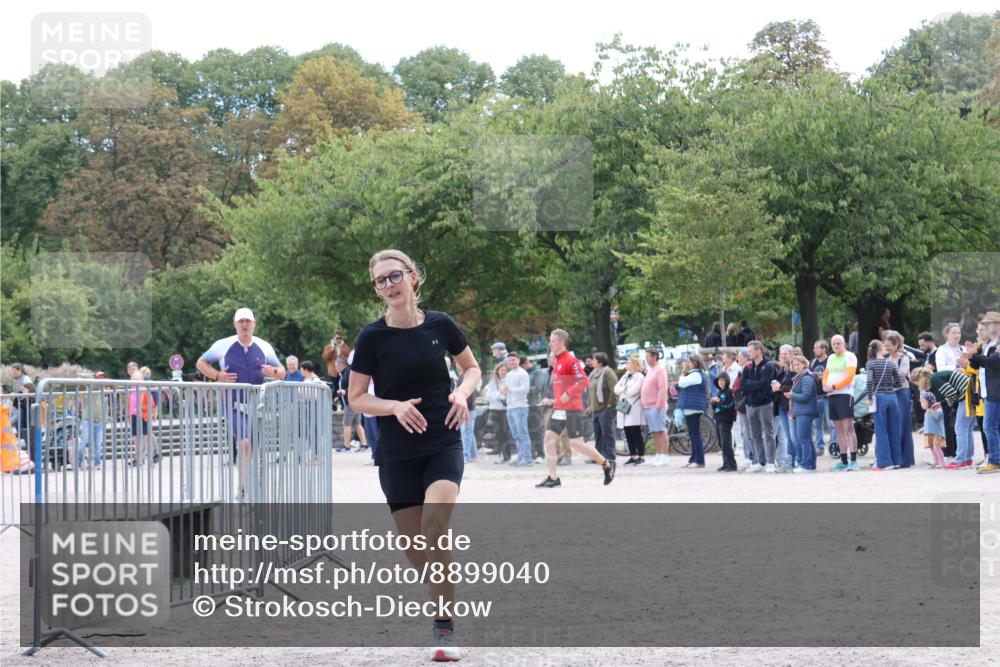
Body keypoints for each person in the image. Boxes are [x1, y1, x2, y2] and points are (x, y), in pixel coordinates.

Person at [346, 249, 480, 661]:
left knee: (435, 524)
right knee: (414, 546)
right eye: (380, 281)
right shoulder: (371, 337)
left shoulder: (441, 324)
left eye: (395, 276)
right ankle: (445, 582)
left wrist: (461, 392)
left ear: (412, 278)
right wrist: (395, 406)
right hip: (397, 450)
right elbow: (356, 398)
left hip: (443, 438)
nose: (389, 285)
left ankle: (444, 627)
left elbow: (473, 368)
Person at [196, 307, 285, 501]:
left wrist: (274, 372)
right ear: (235, 325)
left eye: (248, 321)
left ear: (254, 324)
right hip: (232, 403)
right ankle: (243, 491)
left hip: (257, 405)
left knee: (252, 448)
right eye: (240, 321)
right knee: (244, 443)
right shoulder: (223, 345)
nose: (244, 325)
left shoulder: (264, 346)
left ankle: (244, 485)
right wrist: (218, 376)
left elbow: (281, 370)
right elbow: (201, 363)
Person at [536, 329, 616, 488]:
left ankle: (607, 464)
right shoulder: (557, 361)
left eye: (552, 341)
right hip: (559, 409)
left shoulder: (570, 360)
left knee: (576, 444)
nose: (550, 344)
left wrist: (569, 392)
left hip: (572, 409)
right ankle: (553, 477)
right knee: (549, 440)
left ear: (561, 342)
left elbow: (584, 381)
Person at [958, 311, 1000, 474]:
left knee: (989, 426)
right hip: (988, 390)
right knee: (991, 426)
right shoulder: (989, 344)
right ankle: (995, 459)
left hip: (995, 390)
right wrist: (971, 357)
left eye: (988, 324)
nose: (984, 326)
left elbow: (994, 363)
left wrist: (972, 356)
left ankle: (995, 461)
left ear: (997, 325)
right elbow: (977, 366)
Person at [823, 334, 859, 471]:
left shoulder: (850, 356)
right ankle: (843, 460)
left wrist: (834, 386)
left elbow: (850, 376)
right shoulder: (831, 358)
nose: (836, 346)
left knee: (848, 427)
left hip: (844, 394)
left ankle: (854, 460)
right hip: (832, 395)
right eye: (834, 344)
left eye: (838, 343)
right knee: (838, 429)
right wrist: (824, 385)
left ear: (844, 344)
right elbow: (826, 374)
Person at [866, 339, 903, 471]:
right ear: (882, 349)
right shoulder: (891, 363)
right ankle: (897, 460)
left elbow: (869, 381)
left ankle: (885, 462)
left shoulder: (871, 364)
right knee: (894, 429)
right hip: (892, 397)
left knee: (881, 430)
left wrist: (870, 397)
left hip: (879, 398)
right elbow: (899, 383)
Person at [742, 341, 777, 472]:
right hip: (750, 405)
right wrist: (754, 385)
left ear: (759, 351)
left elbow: (765, 383)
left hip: (764, 404)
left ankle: (771, 462)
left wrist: (752, 384)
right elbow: (743, 385)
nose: (749, 353)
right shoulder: (747, 367)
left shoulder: (768, 367)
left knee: (768, 434)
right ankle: (760, 462)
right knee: (755, 434)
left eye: (751, 350)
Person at [884, 331, 915, 468]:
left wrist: (887, 376)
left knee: (903, 425)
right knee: (893, 425)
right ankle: (895, 457)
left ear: (896, 345)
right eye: (885, 345)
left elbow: (900, 376)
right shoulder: (886, 359)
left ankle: (906, 459)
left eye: (889, 345)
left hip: (902, 392)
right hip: (890, 393)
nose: (887, 348)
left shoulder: (904, 358)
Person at [788, 355, 819, 472]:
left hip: (805, 411)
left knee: (803, 438)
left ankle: (806, 465)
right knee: (807, 438)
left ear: (804, 364)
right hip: (802, 411)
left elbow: (806, 396)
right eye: (794, 365)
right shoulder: (800, 377)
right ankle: (810, 465)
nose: (796, 367)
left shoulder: (806, 378)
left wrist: (792, 395)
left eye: (798, 364)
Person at [677, 354, 709, 468]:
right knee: (693, 434)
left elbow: (681, 383)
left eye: (689, 362)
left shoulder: (696, 374)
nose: (687, 364)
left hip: (693, 408)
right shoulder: (695, 374)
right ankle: (694, 458)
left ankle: (699, 460)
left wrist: (682, 371)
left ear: (695, 362)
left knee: (695, 434)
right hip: (691, 407)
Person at [641, 346, 670, 467]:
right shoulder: (651, 370)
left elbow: (662, 388)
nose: (646, 358)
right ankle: (658, 455)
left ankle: (664, 456)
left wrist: (659, 404)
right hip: (648, 406)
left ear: (654, 356)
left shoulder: (660, 370)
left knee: (661, 431)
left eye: (648, 356)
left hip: (656, 406)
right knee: (654, 432)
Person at [615, 353, 646, 465]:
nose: (627, 365)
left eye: (629, 363)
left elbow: (634, 391)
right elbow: (616, 389)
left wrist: (623, 390)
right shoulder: (625, 375)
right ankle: (632, 455)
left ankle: (641, 456)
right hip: (624, 407)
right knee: (627, 432)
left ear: (635, 365)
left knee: (635, 432)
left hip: (634, 407)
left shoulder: (639, 376)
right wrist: (624, 388)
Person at [587, 352, 618, 464]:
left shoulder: (608, 372)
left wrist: (610, 404)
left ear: (600, 362)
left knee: (607, 432)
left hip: (606, 408)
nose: (592, 361)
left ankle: (610, 456)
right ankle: (598, 457)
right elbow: (592, 391)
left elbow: (614, 389)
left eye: (594, 360)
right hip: (596, 408)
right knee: (598, 433)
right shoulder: (594, 373)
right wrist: (590, 405)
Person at [503, 352, 532, 466]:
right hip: (510, 406)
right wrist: (504, 391)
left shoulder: (523, 373)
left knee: (522, 433)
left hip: (520, 406)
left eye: (513, 360)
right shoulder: (509, 374)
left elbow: (525, 389)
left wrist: (510, 389)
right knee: (515, 434)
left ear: (518, 360)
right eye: (509, 360)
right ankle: (521, 456)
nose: (511, 362)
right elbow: (507, 390)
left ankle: (527, 457)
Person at [75, 372, 109, 470]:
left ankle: (97, 463)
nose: (101, 379)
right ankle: (80, 462)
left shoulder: (104, 391)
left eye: (103, 377)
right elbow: (82, 398)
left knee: (98, 444)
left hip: (99, 420)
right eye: (99, 378)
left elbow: (105, 406)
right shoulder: (88, 389)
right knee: (83, 441)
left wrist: (106, 417)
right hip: (87, 420)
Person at [809, 340, 835, 457]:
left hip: (828, 396)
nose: (815, 350)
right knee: (817, 424)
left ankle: (834, 446)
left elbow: (834, 375)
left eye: (817, 348)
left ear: (824, 349)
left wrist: (824, 376)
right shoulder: (813, 362)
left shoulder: (830, 361)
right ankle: (819, 446)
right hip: (816, 396)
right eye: (814, 348)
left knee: (831, 423)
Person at [772, 345, 795, 472]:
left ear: (791, 355)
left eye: (785, 353)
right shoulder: (782, 370)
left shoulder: (793, 369)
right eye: (781, 353)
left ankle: (792, 462)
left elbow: (792, 386)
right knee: (787, 435)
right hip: (781, 404)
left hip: (790, 405)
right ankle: (787, 462)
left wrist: (780, 387)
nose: (783, 356)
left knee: (791, 435)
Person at [337, 357, 368, 452]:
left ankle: (346, 446)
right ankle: (364, 444)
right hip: (354, 402)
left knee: (346, 424)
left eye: (336, 366)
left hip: (350, 403)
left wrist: (345, 391)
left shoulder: (347, 373)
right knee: (357, 424)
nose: (335, 368)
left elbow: (353, 386)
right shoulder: (345, 373)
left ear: (340, 365)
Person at [522, 355, 547, 462]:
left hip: (535, 404)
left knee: (537, 430)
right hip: (525, 404)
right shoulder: (525, 373)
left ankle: (540, 454)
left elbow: (537, 388)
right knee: (527, 431)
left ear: (526, 363)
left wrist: (522, 389)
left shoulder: (538, 372)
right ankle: (531, 454)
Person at [485, 364, 511, 463]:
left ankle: (507, 455)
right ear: (497, 371)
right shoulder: (493, 383)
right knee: (498, 434)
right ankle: (502, 455)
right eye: (502, 370)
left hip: (505, 410)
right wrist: (499, 393)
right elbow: (489, 397)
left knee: (506, 434)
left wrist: (499, 395)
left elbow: (509, 396)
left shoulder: (509, 381)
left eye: (505, 370)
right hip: (495, 411)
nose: (504, 372)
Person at [710, 373, 737, 471]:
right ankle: (725, 463)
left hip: (726, 419)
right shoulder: (719, 392)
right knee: (721, 442)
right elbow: (716, 407)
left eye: (723, 380)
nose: (720, 382)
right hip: (719, 418)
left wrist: (719, 402)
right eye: (719, 380)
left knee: (726, 442)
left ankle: (732, 464)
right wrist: (713, 403)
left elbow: (730, 405)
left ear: (727, 381)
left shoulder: (729, 392)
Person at [919, 391, 947, 468]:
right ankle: (936, 461)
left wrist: (931, 411)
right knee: (931, 447)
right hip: (929, 433)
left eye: (923, 401)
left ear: (930, 401)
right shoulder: (926, 412)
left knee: (937, 447)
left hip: (937, 433)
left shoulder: (937, 409)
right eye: (921, 402)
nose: (922, 404)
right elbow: (927, 424)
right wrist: (922, 429)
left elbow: (938, 416)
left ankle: (942, 463)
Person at [458, 366, 480, 462]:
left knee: (466, 432)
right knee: (469, 432)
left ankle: (466, 455)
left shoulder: (470, 377)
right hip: (467, 407)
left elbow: (473, 394)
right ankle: (473, 455)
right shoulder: (461, 377)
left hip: (469, 408)